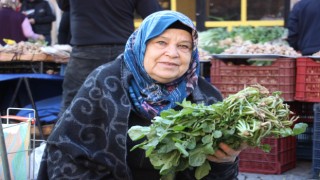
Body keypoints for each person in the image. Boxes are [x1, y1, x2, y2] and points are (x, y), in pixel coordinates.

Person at [37, 10, 245, 179]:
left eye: (183, 46)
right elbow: (67, 154)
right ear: (141, 46)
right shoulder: (106, 83)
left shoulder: (206, 98)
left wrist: (226, 161)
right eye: (161, 43)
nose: (172, 53)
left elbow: (221, 176)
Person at [56, 0, 162, 116]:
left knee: (72, 105)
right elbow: (155, 16)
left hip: (86, 50)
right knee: (129, 104)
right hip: (121, 49)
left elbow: (64, 5)